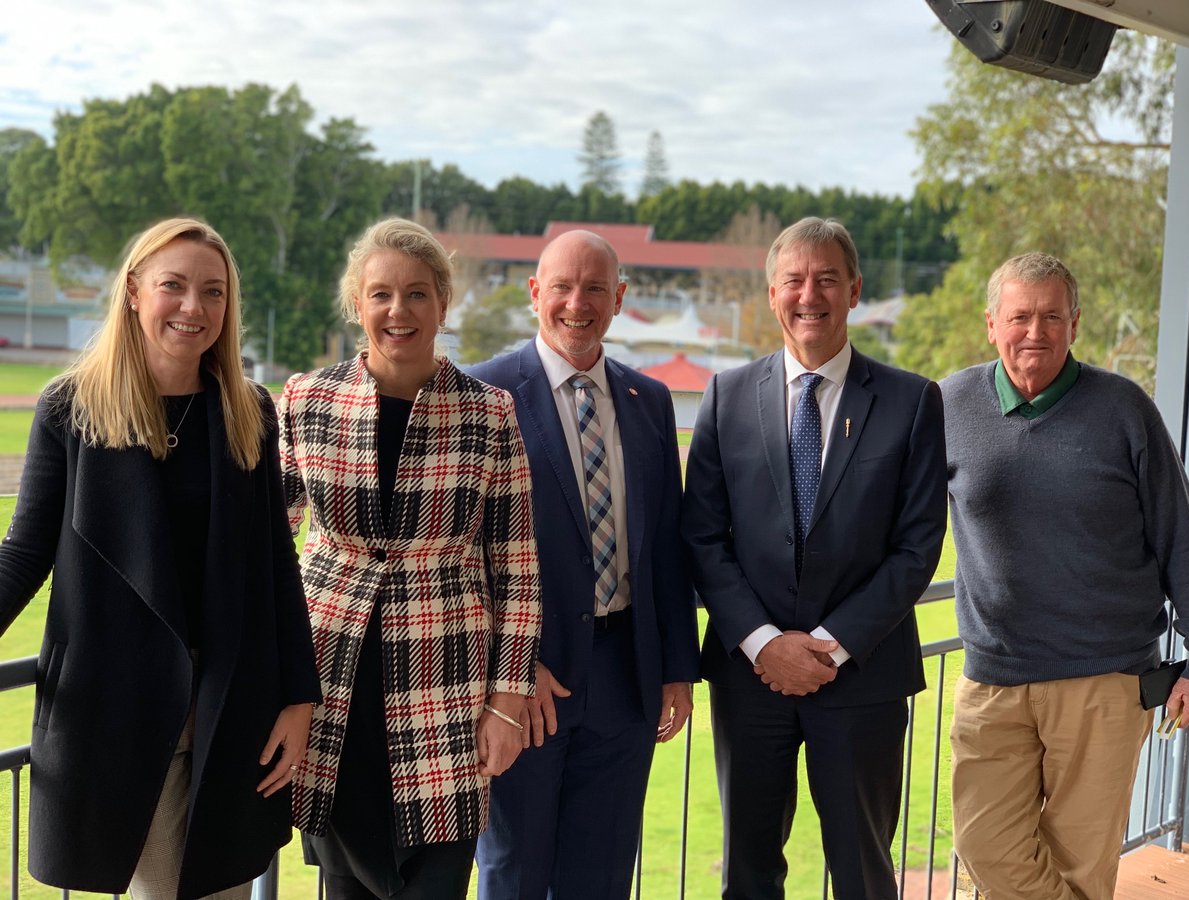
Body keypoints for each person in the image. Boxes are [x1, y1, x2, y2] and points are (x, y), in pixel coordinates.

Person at [0, 217, 321, 899]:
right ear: (134, 293)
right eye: (173, 286)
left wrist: (299, 699)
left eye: (213, 291)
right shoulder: (72, 409)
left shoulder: (248, 412)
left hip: (230, 715)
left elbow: (276, 563)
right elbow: (25, 552)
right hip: (118, 717)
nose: (193, 307)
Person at [682, 217, 947, 900]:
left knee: (861, 871)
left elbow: (917, 548)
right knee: (749, 871)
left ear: (854, 290)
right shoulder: (725, 397)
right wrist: (766, 645)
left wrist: (827, 648)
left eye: (827, 278)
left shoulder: (912, 401)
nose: (810, 294)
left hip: (863, 679)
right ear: (772, 295)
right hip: (751, 681)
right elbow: (703, 538)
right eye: (794, 280)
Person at [281, 217, 541, 900]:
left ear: (443, 305)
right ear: (357, 305)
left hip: (445, 687)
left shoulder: (489, 413)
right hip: (331, 686)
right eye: (381, 295)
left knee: (436, 875)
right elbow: (263, 555)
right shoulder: (307, 400)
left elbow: (516, 568)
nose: (399, 311)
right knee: (345, 882)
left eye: (418, 294)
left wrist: (508, 703)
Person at [942, 252, 1189, 900]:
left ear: (1075, 324)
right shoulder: (949, 404)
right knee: (983, 844)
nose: (1036, 331)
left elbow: (1180, 537)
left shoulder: (1124, 409)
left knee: (1081, 861)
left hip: (1103, 679)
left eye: (1052, 316)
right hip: (994, 675)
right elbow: (897, 520)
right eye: (1021, 316)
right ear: (991, 323)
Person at [469, 229, 699, 900]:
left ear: (620, 298)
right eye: (562, 287)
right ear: (534, 293)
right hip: (527, 687)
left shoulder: (649, 401)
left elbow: (665, 545)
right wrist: (506, 667)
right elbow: (462, 551)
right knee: (513, 875)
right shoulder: (484, 393)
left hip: (627, 680)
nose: (578, 303)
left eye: (595, 287)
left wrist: (676, 669)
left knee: (599, 879)